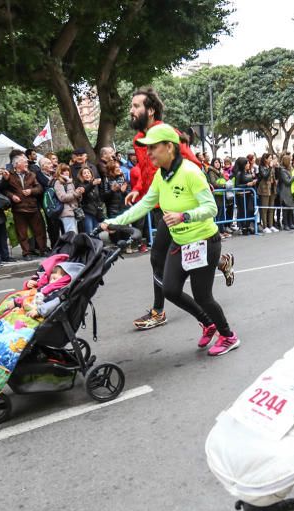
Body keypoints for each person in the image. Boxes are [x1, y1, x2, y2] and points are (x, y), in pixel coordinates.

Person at [101, 123, 240, 356]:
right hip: (181, 243)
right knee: (171, 290)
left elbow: (211, 208)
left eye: (154, 147)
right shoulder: (161, 175)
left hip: (204, 241)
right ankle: (209, 324)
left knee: (203, 296)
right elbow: (145, 204)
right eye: (148, 148)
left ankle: (228, 336)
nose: (149, 153)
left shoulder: (191, 172)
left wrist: (184, 216)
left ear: (169, 147)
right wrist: (115, 221)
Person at [125, 87, 233, 331]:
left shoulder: (168, 135)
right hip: (166, 209)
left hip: (182, 210)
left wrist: (195, 192)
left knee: (158, 258)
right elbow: (146, 172)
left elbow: (192, 163)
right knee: (181, 255)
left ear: (150, 110)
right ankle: (220, 262)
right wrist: (139, 189)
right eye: (131, 107)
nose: (131, 111)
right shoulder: (139, 139)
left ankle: (158, 310)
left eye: (136, 106)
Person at [3, 155, 47, 258]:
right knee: (22, 233)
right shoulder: (9, 175)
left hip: (33, 207)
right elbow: (4, 190)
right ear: (17, 164)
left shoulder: (31, 174)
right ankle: (26, 253)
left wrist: (31, 191)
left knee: (39, 231)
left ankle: (43, 250)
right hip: (18, 208)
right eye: (24, 162)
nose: (27, 164)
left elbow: (39, 188)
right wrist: (12, 196)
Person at [52, 163, 83, 235]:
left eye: (68, 170)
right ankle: (70, 247)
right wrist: (75, 193)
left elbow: (75, 197)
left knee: (74, 234)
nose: (67, 172)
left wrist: (79, 193)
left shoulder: (69, 182)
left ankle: (73, 246)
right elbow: (62, 198)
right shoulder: (58, 182)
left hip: (73, 210)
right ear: (60, 172)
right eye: (64, 170)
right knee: (71, 234)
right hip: (66, 212)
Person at [257, 153, 278, 232]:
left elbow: (275, 176)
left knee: (271, 208)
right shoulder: (261, 167)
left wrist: (276, 167)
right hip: (264, 189)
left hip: (272, 188)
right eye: (269, 158)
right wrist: (270, 167)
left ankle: (271, 225)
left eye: (271, 158)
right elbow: (265, 176)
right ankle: (265, 226)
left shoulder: (271, 167)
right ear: (265, 159)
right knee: (264, 208)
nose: (271, 160)